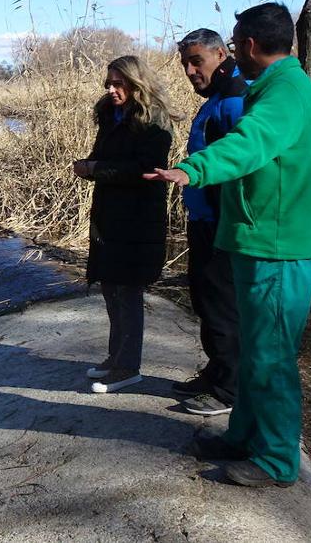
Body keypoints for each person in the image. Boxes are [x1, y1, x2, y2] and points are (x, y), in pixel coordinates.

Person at [145, 2, 311, 488]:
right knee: (255, 352)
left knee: (271, 357)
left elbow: (250, 143)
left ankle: (276, 460)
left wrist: (193, 169)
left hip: (278, 248)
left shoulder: (286, 94)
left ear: (247, 44)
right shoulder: (272, 88)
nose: (232, 53)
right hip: (259, 241)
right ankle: (244, 436)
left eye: (234, 43)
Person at [73, 55, 179, 394]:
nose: (111, 89)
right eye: (109, 83)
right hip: (109, 213)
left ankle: (128, 367)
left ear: (136, 84)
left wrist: (95, 169)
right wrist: (90, 165)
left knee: (128, 290)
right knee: (110, 286)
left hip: (138, 217)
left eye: (118, 83)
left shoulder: (155, 120)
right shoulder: (110, 114)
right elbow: (104, 157)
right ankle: (115, 356)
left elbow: (147, 170)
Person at [172, 29, 247, 417]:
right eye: (185, 63)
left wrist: (225, 217)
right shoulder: (217, 97)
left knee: (222, 305)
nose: (189, 71)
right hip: (204, 218)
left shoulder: (234, 99)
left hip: (222, 222)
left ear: (221, 54)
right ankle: (216, 371)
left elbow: (240, 162)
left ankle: (228, 390)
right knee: (205, 300)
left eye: (196, 61)